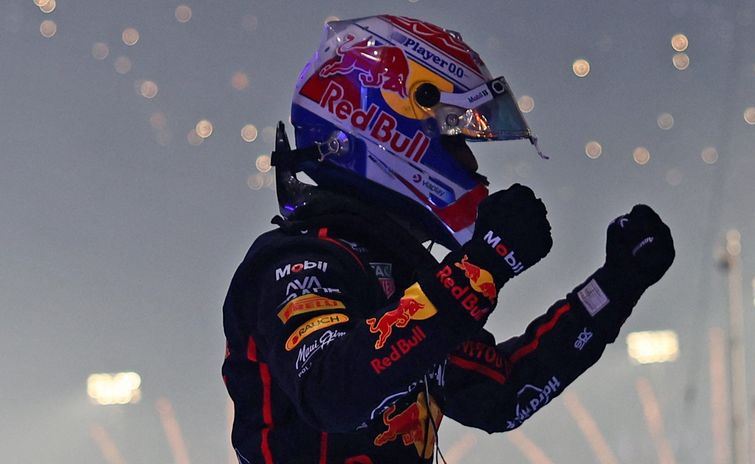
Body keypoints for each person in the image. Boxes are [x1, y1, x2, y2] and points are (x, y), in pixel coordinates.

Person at [222, 14, 674, 464]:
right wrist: (483, 266)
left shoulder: (407, 277)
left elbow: (501, 394)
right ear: (386, 130)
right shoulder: (295, 263)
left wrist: (615, 287)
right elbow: (332, 393)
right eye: (456, 138)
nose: (473, 164)